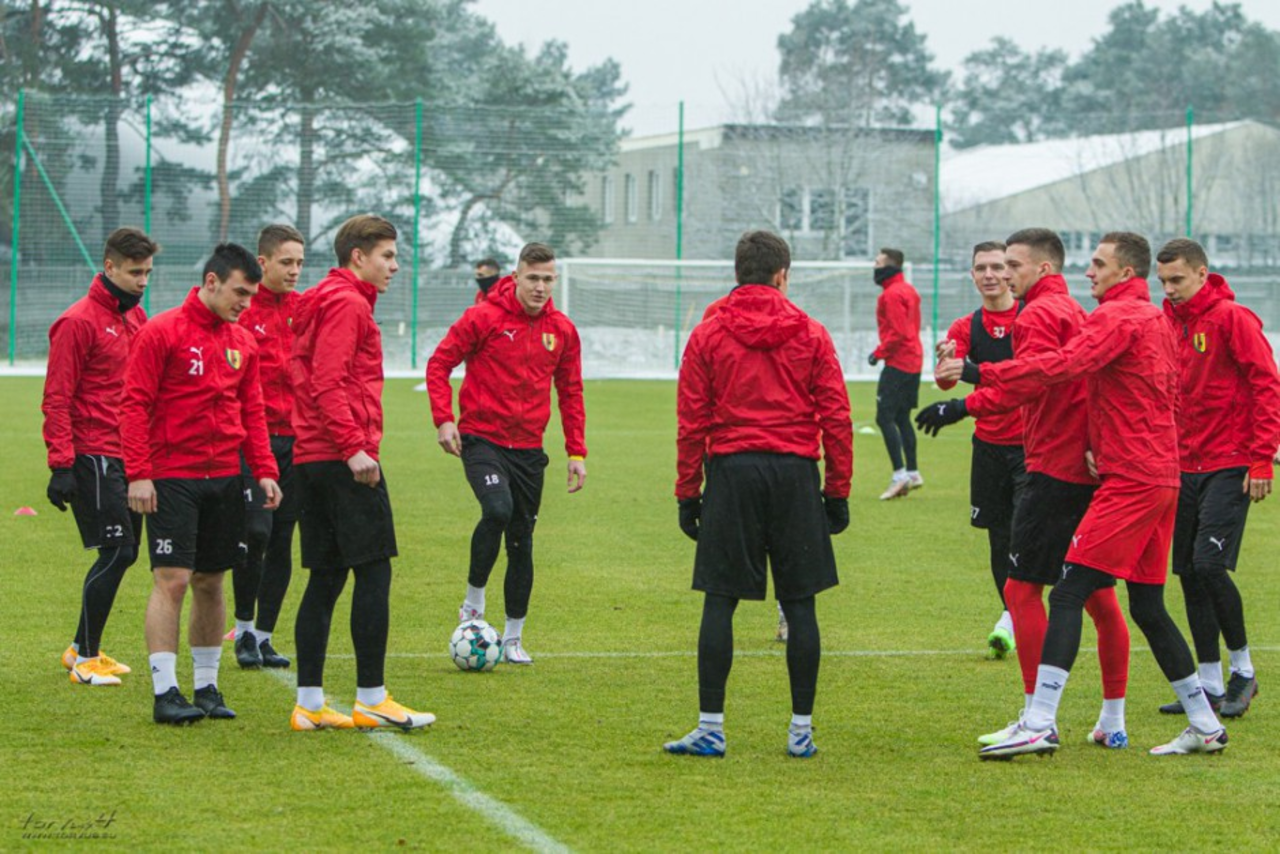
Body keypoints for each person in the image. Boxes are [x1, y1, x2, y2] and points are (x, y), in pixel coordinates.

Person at [929, 232, 1226, 758]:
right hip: (1160, 475)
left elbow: (1058, 370)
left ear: (1124, 273)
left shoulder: (1109, 317)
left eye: (1099, 263)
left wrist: (975, 377)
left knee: (1061, 592)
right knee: (1144, 605)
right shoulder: (1151, 317)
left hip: (1120, 478)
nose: (1090, 271)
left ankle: (1039, 721)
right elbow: (1165, 394)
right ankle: (1201, 723)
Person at [925, 228, 1130, 750]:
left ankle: (1037, 717)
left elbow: (1029, 383)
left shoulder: (1038, 315)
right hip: (1077, 462)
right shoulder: (1073, 311)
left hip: (1053, 465)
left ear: (1042, 268)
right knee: (1098, 594)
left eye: (1011, 265)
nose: (1002, 273)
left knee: (1021, 590)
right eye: (991, 266)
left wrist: (965, 399)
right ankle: (1112, 718)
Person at [664, 230, 852, 759]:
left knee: (719, 601)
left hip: (733, 473)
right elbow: (837, 416)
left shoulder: (708, 333)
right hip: (795, 475)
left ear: (737, 272)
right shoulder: (811, 332)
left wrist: (688, 492)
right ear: (782, 275)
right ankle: (800, 732)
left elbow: (691, 420)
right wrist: (837, 490)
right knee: (801, 604)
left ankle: (711, 726)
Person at [121, 243, 282, 724]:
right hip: (172, 477)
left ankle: (207, 687)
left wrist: (265, 469)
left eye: (251, 295)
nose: (246, 304)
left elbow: (252, 411)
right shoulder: (160, 332)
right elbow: (134, 404)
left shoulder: (242, 342)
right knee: (172, 580)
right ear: (211, 282)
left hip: (226, 477)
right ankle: (165, 691)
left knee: (211, 582)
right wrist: (139, 473)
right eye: (239, 293)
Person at [289, 214, 434, 731]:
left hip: (312, 456)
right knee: (374, 571)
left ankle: (309, 705)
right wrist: (354, 448)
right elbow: (328, 382)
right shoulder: (347, 303)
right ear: (358, 256)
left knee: (326, 577)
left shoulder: (326, 299)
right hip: (340, 457)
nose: (395, 266)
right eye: (387, 256)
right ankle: (372, 696)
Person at [428, 242, 587, 664]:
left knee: (521, 540)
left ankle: (514, 637)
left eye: (547, 279)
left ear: (555, 280)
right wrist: (444, 419)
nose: (540, 287)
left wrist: (576, 451)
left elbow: (571, 391)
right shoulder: (483, 317)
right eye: (532, 278)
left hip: (529, 450)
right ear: (515, 277)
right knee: (497, 510)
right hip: (482, 439)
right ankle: (473, 605)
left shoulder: (562, 330)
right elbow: (439, 364)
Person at [1156, 237, 1280, 719]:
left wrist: (1261, 458)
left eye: (1177, 280)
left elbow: (1266, 384)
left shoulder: (1232, 318)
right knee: (1188, 572)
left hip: (1230, 462)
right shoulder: (1167, 321)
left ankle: (1243, 672)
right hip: (1182, 464)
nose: (1169, 289)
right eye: (1163, 281)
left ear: (1202, 274)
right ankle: (1208, 682)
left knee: (1209, 565)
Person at [44, 227, 155, 686]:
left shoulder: (137, 317)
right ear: (109, 267)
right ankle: (86, 658)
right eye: (134, 272)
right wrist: (61, 465)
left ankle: (79, 648)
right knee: (117, 551)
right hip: (93, 455)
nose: (142, 281)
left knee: (126, 554)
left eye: (147, 273)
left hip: (131, 455)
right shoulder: (77, 321)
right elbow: (57, 396)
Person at [934, 241, 1025, 660]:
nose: (989, 274)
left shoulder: (1030, 318)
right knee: (998, 538)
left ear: (1010, 272)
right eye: (980, 268)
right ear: (972, 275)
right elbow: (946, 381)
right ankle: (1011, 615)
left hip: (1031, 446)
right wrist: (946, 361)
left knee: (1026, 533)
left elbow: (1026, 378)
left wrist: (968, 375)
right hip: (988, 447)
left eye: (997, 267)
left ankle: (1016, 617)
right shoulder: (965, 326)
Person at [230, 223, 306, 669]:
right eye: (286, 262)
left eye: (300, 263)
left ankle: (263, 636)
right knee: (256, 532)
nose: (295, 271)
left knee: (282, 539)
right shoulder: (242, 309)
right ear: (263, 263)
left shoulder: (305, 310)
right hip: (250, 442)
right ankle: (242, 628)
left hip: (296, 443)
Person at [868, 248, 922, 500]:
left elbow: (898, 333)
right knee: (902, 417)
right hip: (914, 361)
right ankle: (913, 472)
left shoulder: (890, 295)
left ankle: (899, 475)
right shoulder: (909, 290)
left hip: (899, 363)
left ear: (889, 266)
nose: (874, 266)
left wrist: (877, 353)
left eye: (877, 262)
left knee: (884, 417)